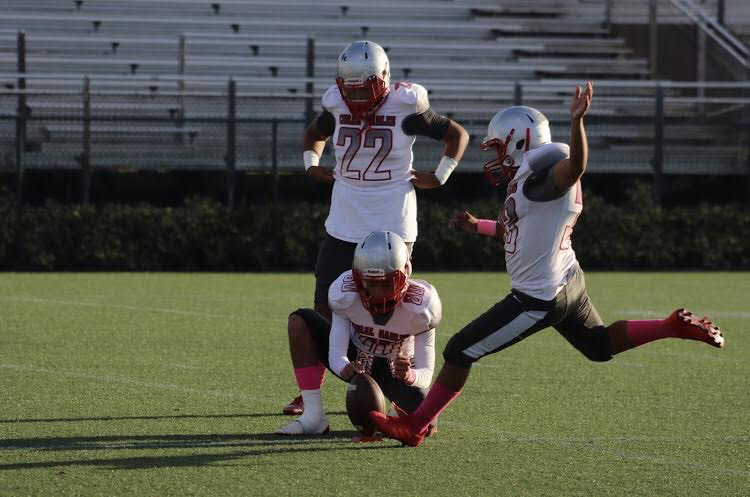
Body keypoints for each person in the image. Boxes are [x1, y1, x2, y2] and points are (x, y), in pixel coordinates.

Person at [370, 82, 726, 447]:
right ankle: (669, 326)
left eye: (499, 147)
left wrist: (577, 123)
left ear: (520, 142)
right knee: (599, 346)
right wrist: (480, 227)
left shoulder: (542, 177)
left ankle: (415, 427)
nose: (495, 157)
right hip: (568, 279)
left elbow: (573, 168)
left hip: (538, 297)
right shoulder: (529, 180)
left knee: (460, 350)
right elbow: (522, 230)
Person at [284, 39, 468, 415]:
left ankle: (401, 383)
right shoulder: (336, 102)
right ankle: (311, 393)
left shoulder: (406, 104)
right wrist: (311, 163)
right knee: (324, 307)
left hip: (391, 221)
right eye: (350, 90)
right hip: (344, 218)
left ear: (382, 80)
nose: (357, 99)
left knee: (389, 309)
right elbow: (313, 134)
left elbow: (456, 135)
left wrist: (442, 175)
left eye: (364, 89)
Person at [276, 230, 442, 436]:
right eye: (369, 283)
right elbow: (337, 352)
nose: (377, 293)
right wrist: (345, 367)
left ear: (405, 272)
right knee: (300, 321)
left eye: (385, 283)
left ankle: (396, 412)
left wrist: (408, 374)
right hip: (359, 360)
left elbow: (426, 374)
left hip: (396, 371)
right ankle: (313, 417)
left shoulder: (422, 306)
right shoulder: (345, 295)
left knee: (426, 427)